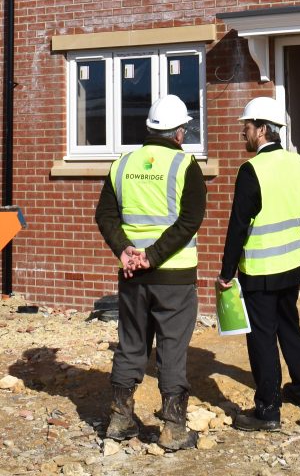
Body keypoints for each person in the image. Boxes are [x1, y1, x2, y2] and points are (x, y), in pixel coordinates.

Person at [95, 93, 206, 451]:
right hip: (173, 276)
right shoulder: (185, 166)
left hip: (132, 276)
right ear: (178, 133)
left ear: (148, 128)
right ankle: (173, 428)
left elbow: (105, 217)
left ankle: (120, 418)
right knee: (171, 348)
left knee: (131, 343)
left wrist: (126, 251)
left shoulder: (122, 165)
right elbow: (190, 220)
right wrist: (153, 256)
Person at [218, 96, 300, 432]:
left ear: (261, 130)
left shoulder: (252, 170)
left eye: (246, 127)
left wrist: (226, 272)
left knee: (262, 336)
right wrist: (296, 249)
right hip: (291, 266)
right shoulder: (298, 163)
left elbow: (238, 226)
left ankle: (268, 409)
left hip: (260, 271)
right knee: (290, 326)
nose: (242, 134)